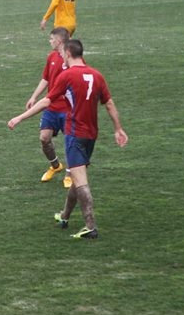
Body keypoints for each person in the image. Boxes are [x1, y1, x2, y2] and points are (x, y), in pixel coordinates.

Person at [8, 39, 128, 240]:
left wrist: (19, 117)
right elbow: (109, 104)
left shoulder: (68, 75)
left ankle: (90, 225)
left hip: (74, 133)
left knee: (80, 180)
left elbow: (47, 101)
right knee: (77, 177)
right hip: (91, 134)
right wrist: (118, 129)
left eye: (64, 53)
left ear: (69, 53)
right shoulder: (97, 75)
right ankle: (64, 216)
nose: (62, 56)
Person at [25, 27, 73, 189]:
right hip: (51, 106)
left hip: (67, 109)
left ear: (59, 41)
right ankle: (55, 166)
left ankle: (69, 173)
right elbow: (46, 78)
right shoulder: (51, 57)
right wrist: (34, 96)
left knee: (69, 142)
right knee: (44, 138)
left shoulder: (71, 58)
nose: (50, 42)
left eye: (52, 39)